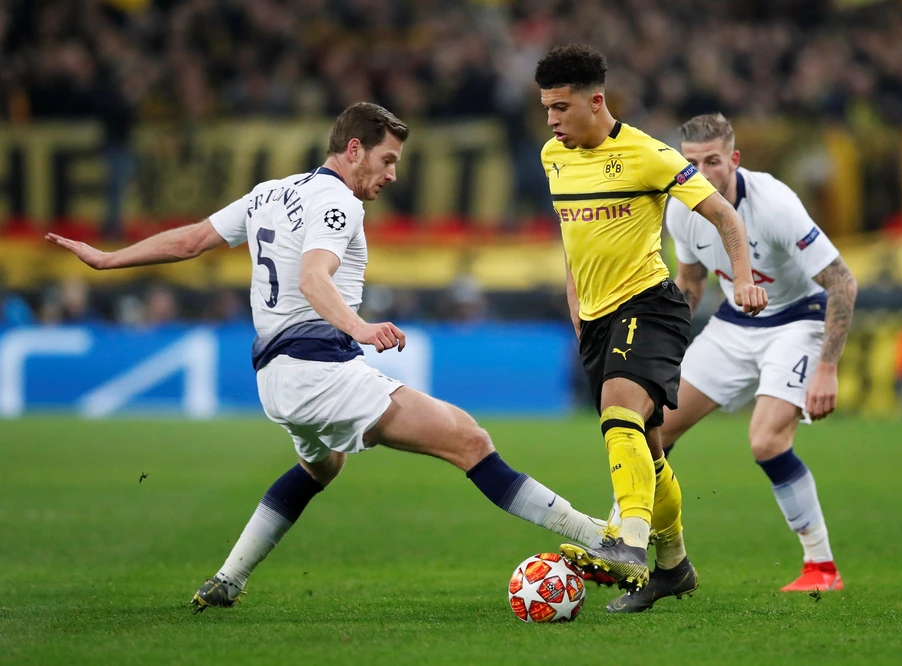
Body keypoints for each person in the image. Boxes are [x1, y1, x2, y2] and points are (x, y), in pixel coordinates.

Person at [46, 102, 611, 613]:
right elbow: (313, 277)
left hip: (276, 375)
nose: (393, 174)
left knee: (322, 466)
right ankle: (600, 540)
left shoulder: (269, 192)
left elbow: (192, 240)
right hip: (317, 368)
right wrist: (360, 327)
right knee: (469, 439)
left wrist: (109, 259)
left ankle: (227, 579)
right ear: (354, 149)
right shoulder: (338, 202)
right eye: (387, 160)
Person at [534, 46, 768, 597]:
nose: (551, 121)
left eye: (561, 108)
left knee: (618, 410)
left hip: (650, 305)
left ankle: (628, 544)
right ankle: (674, 565)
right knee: (650, 450)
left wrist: (742, 279)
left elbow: (725, 216)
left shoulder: (648, 154)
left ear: (596, 102)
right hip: (595, 318)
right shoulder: (553, 156)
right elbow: (574, 237)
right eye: (547, 108)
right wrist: (574, 299)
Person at [607, 113, 857, 612]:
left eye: (712, 162)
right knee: (653, 424)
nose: (700, 172)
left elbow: (842, 283)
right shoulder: (682, 209)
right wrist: (664, 350)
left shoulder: (775, 204)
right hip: (734, 325)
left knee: (766, 441)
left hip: (797, 320)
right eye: (691, 162)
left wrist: (827, 368)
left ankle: (821, 566)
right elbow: (691, 282)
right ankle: (618, 539)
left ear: (734, 160)